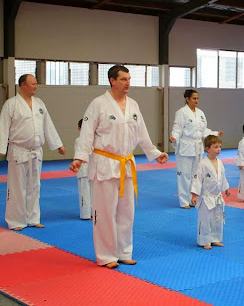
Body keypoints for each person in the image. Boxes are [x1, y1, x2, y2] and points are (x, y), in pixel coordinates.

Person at [69, 65, 168, 269]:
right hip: (105, 164)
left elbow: (142, 133)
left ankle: (124, 252)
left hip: (126, 164)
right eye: (123, 79)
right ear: (112, 80)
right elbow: (87, 133)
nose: (128, 83)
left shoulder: (133, 105)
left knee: (126, 212)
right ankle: (106, 255)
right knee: (104, 213)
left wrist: (155, 153)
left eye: (129, 79)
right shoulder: (98, 104)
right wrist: (80, 157)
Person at [0, 74, 66, 231]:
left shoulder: (39, 103)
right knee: (16, 187)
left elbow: (47, 125)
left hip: (36, 151)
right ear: (23, 85)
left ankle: (33, 218)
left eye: (36, 84)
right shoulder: (11, 104)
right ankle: (16, 221)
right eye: (33, 84)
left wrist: (58, 144)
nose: (36, 86)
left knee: (35, 185)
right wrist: (2, 149)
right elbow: (3, 127)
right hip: (18, 151)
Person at [169, 90, 223, 209]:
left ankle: (192, 199)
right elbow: (177, 129)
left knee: (195, 175)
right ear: (187, 99)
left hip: (198, 147)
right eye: (194, 98)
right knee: (184, 175)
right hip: (185, 146)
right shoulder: (181, 112)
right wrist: (174, 137)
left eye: (197, 98)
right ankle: (184, 201)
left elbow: (204, 131)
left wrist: (215, 133)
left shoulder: (200, 113)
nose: (196, 101)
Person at [190, 135, 230, 249]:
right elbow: (197, 180)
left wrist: (226, 188)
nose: (219, 149)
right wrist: (194, 195)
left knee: (217, 219)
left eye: (220, 147)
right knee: (205, 219)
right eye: (216, 147)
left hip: (217, 196)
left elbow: (222, 177)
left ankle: (215, 238)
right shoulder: (203, 163)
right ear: (208, 148)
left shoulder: (220, 162)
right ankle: (205, 241)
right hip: (206, 197)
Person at [75, 118, 92, 220]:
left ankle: (92, 213)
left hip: (93, 170)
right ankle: (85, 214)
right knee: (85, 193)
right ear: (79, 129)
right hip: (84, 170)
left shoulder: (93, 140)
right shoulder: (79, 141)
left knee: (93, 194)